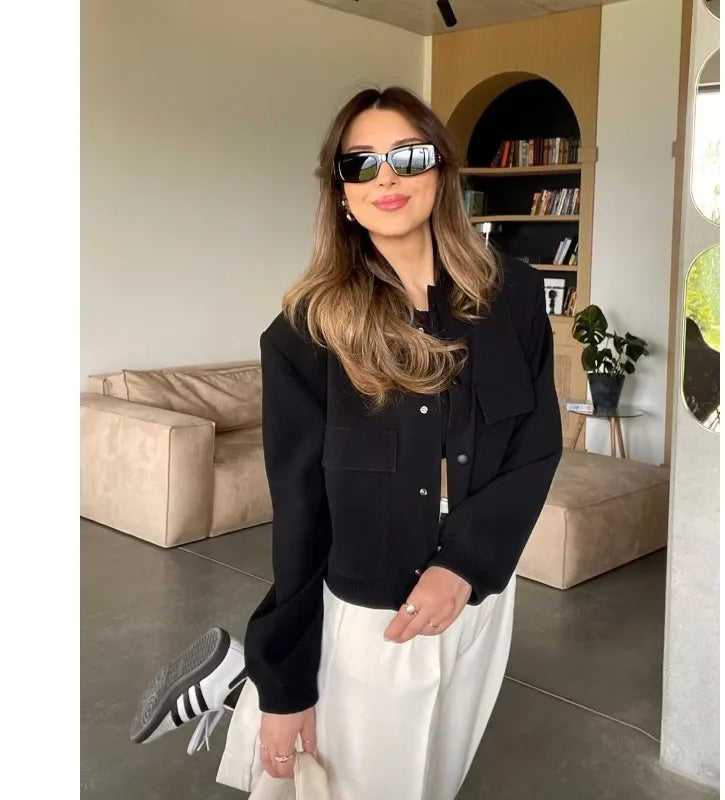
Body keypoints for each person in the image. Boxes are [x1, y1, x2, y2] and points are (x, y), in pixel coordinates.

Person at [129, 85, 562, 799]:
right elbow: (302, 515)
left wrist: (466, 564)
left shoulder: (512, 294)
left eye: (408, 156)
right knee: (346, 783)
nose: (386, 176)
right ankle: (255, 680)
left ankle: (237, 679)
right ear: (341, 192)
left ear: (441, 170)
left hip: (481, 590)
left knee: (436, 777)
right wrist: (287, 684)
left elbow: (535, 443)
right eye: (361, 163)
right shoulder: (306, 332)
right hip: (372, 610)